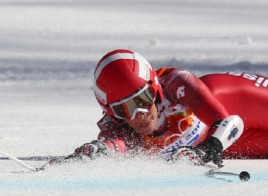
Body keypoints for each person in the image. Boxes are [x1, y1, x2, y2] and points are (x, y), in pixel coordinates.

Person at [54, 49, 268, 168]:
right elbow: (115, 145)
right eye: (125, 109)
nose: (140, 115)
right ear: (112, 113)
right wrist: (97, 151)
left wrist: (208, 148)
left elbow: (229, 122)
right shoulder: (117, 124)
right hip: (224, 142)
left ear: (155, 88)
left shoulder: (177, 84)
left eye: (143, 99)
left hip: (239, 101)